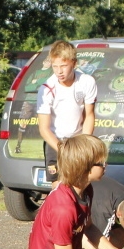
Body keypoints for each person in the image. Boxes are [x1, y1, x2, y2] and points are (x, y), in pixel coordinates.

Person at [36, 40, 97, 178]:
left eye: (63, 66)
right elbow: (44, 129)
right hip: (55, 142)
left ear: (74, 64)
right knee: (58, 187)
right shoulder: (46, 89)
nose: (59, 71)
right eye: (55, 66)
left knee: (80, 184)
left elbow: (89, 115)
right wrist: (63, 151)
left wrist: (84, 143)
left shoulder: (87, 82)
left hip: (78, 141)